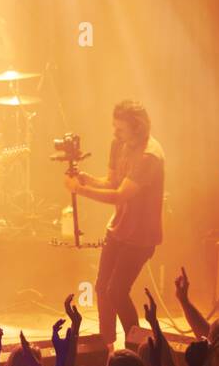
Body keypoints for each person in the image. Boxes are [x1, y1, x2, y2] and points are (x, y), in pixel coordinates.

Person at [64, 100, 166, 348]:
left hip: (141, 236)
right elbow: (111, 181)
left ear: (137, 128)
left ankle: (136, 349)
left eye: (120, 129)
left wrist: (80, 190)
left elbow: (120, 194)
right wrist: (86, 179)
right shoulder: (118, 144)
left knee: (117, 291)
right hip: (119, 227)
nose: (115, 133)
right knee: (102, 287)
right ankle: (106, 345)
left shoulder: (149, 156)